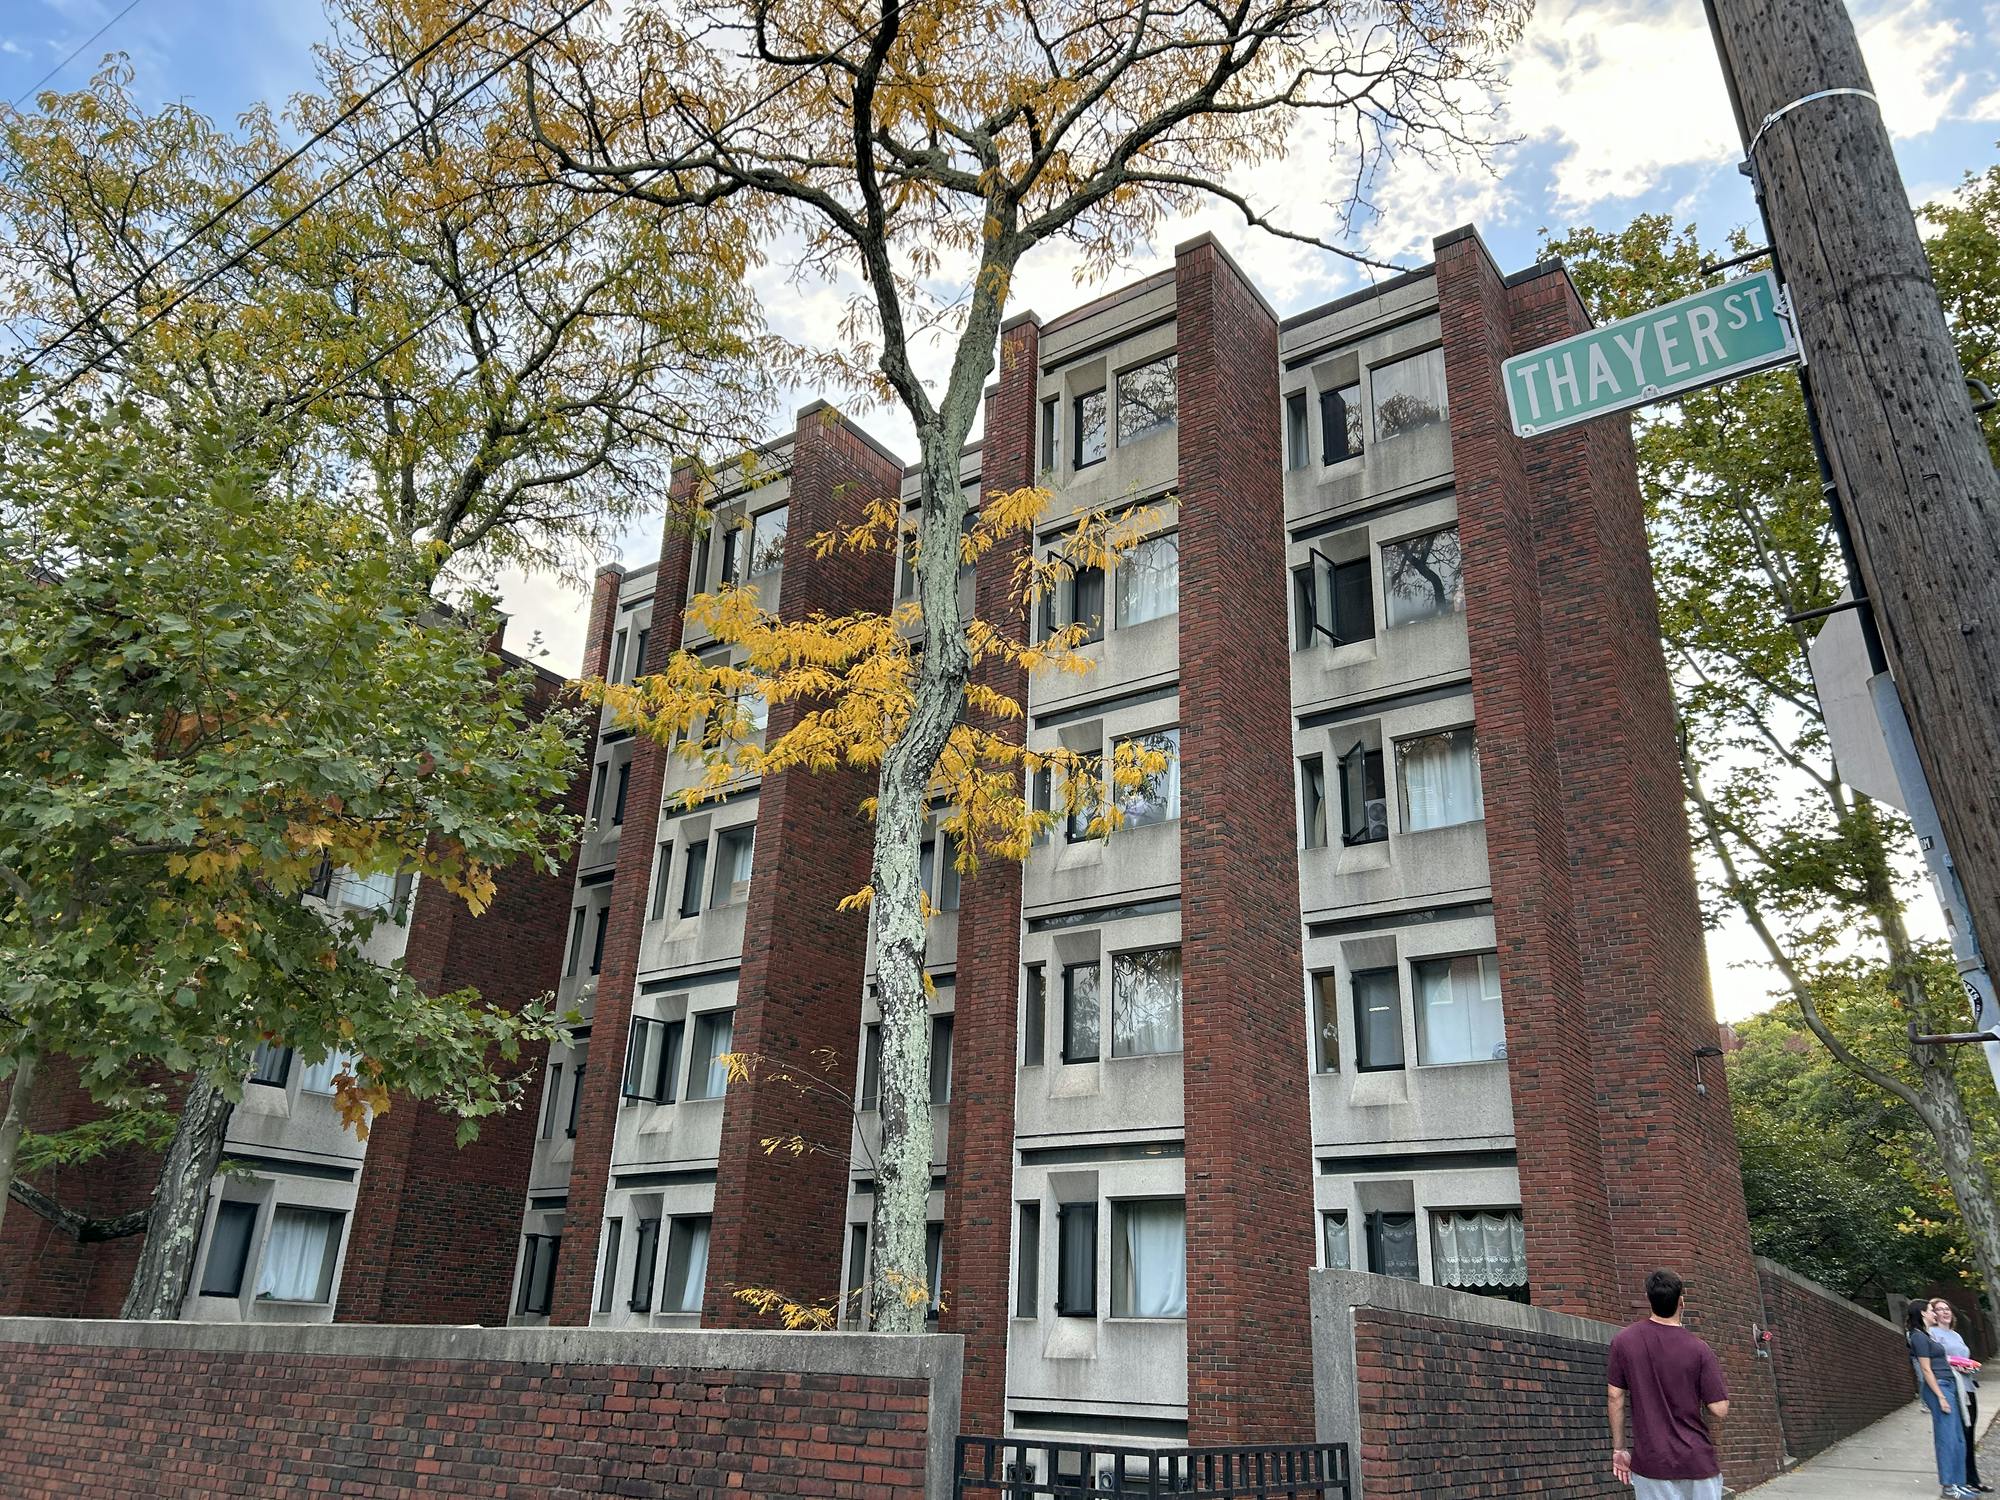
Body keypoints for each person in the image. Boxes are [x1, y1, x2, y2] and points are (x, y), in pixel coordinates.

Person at [1607, 1269, 1730, 1499]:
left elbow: (1615, 1397)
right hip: (1697, 1461)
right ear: (1681, 1301)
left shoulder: (1624, 1341)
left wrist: (1620, 1449)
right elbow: (1719, 1409)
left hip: (1652, 1462)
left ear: (1649, 1300)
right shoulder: (1699, 1349)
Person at [1910, 1300, 1976, 1499]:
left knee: (1958, 1438)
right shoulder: (1918, 1337)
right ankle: (1949, 1487)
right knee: (1947, 1438)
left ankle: (1960, 1482)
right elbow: (1926, 1369)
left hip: (1950, 1385)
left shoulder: (1927, 1335)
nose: (1934, 1314)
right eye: (1931, 1310)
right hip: (1939, 1388)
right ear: (1922, 1313)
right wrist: (1940, 1397)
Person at [1929, 1298, 1989, 1494]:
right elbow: (1936, 1359)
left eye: (1947, 1309)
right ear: (1933, 1314)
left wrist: (1969, 1366)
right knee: (1959, 1436)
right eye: (1939, 1309)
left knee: (1969, 1435)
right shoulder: (1933, 1334)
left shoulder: (1956, 1335)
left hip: (1968, 1388)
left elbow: (1963, 1357)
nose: (1945, 1312)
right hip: (1953, 1389)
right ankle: (1959, 1480)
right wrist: (1956, 1364)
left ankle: (1973, 1478)